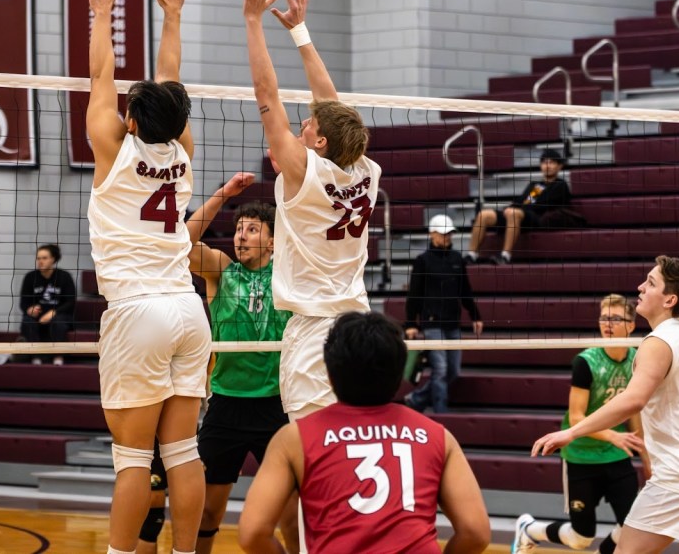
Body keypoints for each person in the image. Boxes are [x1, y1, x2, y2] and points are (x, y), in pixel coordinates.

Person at [85, 0, 210, 554]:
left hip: (138, 310)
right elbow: (171, 83)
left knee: (133, 458)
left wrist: (103, 11)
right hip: (188, 310)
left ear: (130, 119)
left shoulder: (111, 148)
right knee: (182, 452)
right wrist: (173, 14)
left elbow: (100, 72)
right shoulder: (183, 152)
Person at [242, 0, 382, 422]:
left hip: (314, 331)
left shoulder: (304, 170)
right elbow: (332, 106)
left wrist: (252, 21)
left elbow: (267, 94)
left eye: (309, 126)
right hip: (358, 325)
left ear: (320, 142)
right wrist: (299, 31)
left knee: (313, 451)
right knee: (355, 433)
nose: (304, 124)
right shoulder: (364, 168)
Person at [237, 311, 491, 554]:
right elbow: (475, 533)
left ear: (330, 375)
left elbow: (253, 533)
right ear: (400, 370)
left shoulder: (293, 439)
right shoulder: (438, 437)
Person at [532, 256, 679, 554]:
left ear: (670, 299)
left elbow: (633, 400)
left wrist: (571, 433)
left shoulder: (658, 342)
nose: (640, 287)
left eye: (651, 282)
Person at [186, 173, 295, 553]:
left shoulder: (286, 273)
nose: (241, 236)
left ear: (272, 240)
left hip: (275, 406)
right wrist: (224, 194)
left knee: (290, 512)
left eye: (252, 229)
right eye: (238, 229)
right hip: (226, 406)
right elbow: (180, 245)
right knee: (206, 513)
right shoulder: (221, 270)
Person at [512, 294, 650, 554]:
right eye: (604, 318)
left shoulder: (638, 361)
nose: (607, 324)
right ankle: (529, 529)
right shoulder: (586, 362)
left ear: (631, 325)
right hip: (581, 456)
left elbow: (636, 413)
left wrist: (647, 461)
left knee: (633, 525)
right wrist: (613, 436)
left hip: (616, 455)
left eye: (615, 318)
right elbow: (576, 418)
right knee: (580, 539)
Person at [403, 214, 483, 414]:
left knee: (453, 371)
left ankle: (416, 399)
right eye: (444, 234)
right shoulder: (423, 261)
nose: (447, 237)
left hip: (452, 323)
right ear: (433, 235)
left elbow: (465, 290)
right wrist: (411, 324)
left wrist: (475, 315)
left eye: (450, 234)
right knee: (440, 371)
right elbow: (414, 294)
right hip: (432, 323)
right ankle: (441, 414)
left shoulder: (457, 259)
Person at [465, 148, 571, 265]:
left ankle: (505, 256)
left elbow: (544, 205)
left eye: (551, 162)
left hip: (540, 218)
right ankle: (472, 255)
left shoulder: (560, 185)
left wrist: (517, 209)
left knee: (513, 213)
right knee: (484, 215)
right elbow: (523, 202)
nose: (547, 166)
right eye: (544, 162)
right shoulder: (536, 186)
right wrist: (510, 208)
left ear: (559, 166)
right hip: (522, 216)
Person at [19, 243, 77, 365]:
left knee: (58, 322)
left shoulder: (64, 276)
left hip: (60, 314)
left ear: (53, 259)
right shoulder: (30, 277)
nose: (40, 261)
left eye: (44, 258)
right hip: (37, 315)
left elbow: (70, 302)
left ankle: (58, 356)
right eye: (38, 258)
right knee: (27, 321)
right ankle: (35, 356)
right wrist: (29, 309)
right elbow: (23, 303)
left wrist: (53, 312)